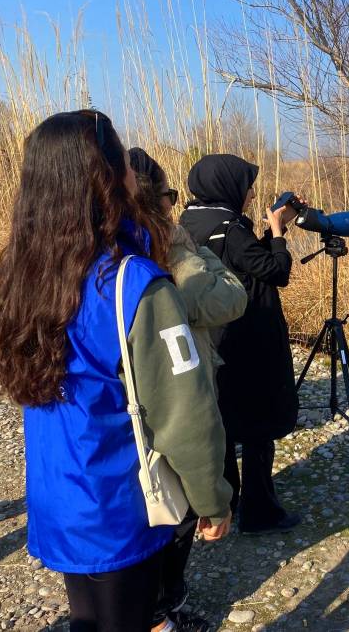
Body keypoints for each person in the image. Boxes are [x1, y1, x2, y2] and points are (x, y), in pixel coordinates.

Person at [0, 110, 232, 632]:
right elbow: (185, 410)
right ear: (107, 177)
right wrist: (212, 497)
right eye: (124, 160)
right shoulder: (136, 283)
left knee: (86, 622)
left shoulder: (27, 277)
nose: (136, 173)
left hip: (60, 497)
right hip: (118, 509)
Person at [129, 146, 248, 630]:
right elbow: (229, 298)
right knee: (175, 514)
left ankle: (154, 607)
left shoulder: (89, 262)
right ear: (152, 204)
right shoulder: (161, 266)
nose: (174, 208)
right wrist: (187, 250)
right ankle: (162, 614)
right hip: (173, 405)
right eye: (166, 198)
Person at [180, 154, 301, 535]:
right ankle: (260, 512)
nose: (251, 193)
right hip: (248, 337)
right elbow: (276, 271)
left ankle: (224, 503)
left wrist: (268, 235)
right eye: (247, 185)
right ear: (228, 186)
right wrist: (279, 233)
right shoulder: (231, 227)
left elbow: (247, 262)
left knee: (225, 421)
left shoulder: (188, 221)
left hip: (211, 336)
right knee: (258, 426)